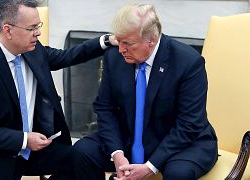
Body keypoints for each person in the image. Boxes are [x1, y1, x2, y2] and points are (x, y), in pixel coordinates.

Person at [0, 0, 115, 179]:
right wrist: (24, 139)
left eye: (38, 26)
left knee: (84, 157)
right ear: (8, 30)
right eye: (31, 28)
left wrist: (106, 41)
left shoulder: (32, 49)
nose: (38, 33)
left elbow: (66, 56)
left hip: (35, 152)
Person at [72, 4, 218, 180]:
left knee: (179, 174)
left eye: (128, 43)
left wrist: (150, 166)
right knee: (82, 152)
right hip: (129, 137)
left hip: (179, 142)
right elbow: (105, 108)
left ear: (152, 39)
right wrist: (117, 154)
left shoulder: (188, 62)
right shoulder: (114, 56)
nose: (121, 49)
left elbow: (189, 124)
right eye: (119, 41)